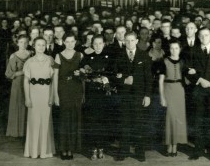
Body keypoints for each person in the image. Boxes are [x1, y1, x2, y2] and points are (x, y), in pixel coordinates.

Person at [186, 27, 210, 162]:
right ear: (198, 37)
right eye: (201, 36)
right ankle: (197, 149)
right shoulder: (193, 50)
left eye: (206, 35)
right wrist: (199, 79)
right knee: (198, 121)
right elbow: (187, 70)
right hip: (198, 91)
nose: (204, 38)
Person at [114, 32, 152, 162]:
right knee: (124, 124)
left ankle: (140, 152)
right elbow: (113, 75)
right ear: (124, 41)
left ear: (136, 41)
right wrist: (124, 81)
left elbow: (148, 78)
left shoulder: (144, 55)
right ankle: (123, 151)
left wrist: (147, 95)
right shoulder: (118, 55)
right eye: (127, 40)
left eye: (132, 40)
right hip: (124, 96)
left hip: (139, 96)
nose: (130, 43)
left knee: (138, 124)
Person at [80, 34, 115, 160]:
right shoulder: (87, 58)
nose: (98, 46)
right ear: (91, 45)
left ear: (104, 44)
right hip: (92, 94)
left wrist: (106, 79)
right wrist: (93, 78)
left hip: (104, 94)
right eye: (95, 44)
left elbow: (113, 73)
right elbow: (83, 75)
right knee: (92, 121)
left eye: (100, 43)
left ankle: (101, 148)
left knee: (103, 121)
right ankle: (93, 148)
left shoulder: (110, 58)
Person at [53, 33, 84, 160]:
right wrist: (55, 95)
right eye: (67, 41)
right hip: (63, 90)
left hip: (76, 90)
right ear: (63, 42)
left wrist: (83, 94)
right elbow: (55, 77)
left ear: (75, 42)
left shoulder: (80, 55)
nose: (70, 44)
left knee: (74, 120)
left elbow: (84, 77)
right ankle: (63, 149)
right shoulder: (58, 56)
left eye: (72, 41)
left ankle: (70, 148)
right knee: (64, 120)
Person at [23, 37, 55, 159]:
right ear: (34, 46)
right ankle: (33, 151)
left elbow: (53, 81)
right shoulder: (29, 62)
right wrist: (27, 98)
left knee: (45, 121)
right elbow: (26, 81)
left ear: (46, 46)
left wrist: (51, 96)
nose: (41, 47)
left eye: (43, 45)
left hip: (46, 94)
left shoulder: (50, 60)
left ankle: (44, 151)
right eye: (38, 45)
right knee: (34, 121)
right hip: (33, 94)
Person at [159, 40, 188, 157]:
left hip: (180, 90)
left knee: (178, 118)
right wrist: (162, 97)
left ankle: (175, 145)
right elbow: (160, 81)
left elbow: (187, 77)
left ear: (180, 49)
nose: (174, 50)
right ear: (169, 49)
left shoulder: (183, 61)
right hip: (168, 90)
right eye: (172, 48)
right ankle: (168, 145)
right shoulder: (164, 62)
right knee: (169, 118)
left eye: (176, 48)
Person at [5, 35, 30, 138]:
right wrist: (23, 72)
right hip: (17, 83)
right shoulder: (13, 56)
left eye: (25, 42)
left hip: (29, 83)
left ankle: (25, 132)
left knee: (27, 105)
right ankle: (16, 132)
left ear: (28, 43)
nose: (23, 44)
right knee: (17, 104)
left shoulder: (31, 54)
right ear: (17, 43)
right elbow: (9, 73)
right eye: (21, 42)